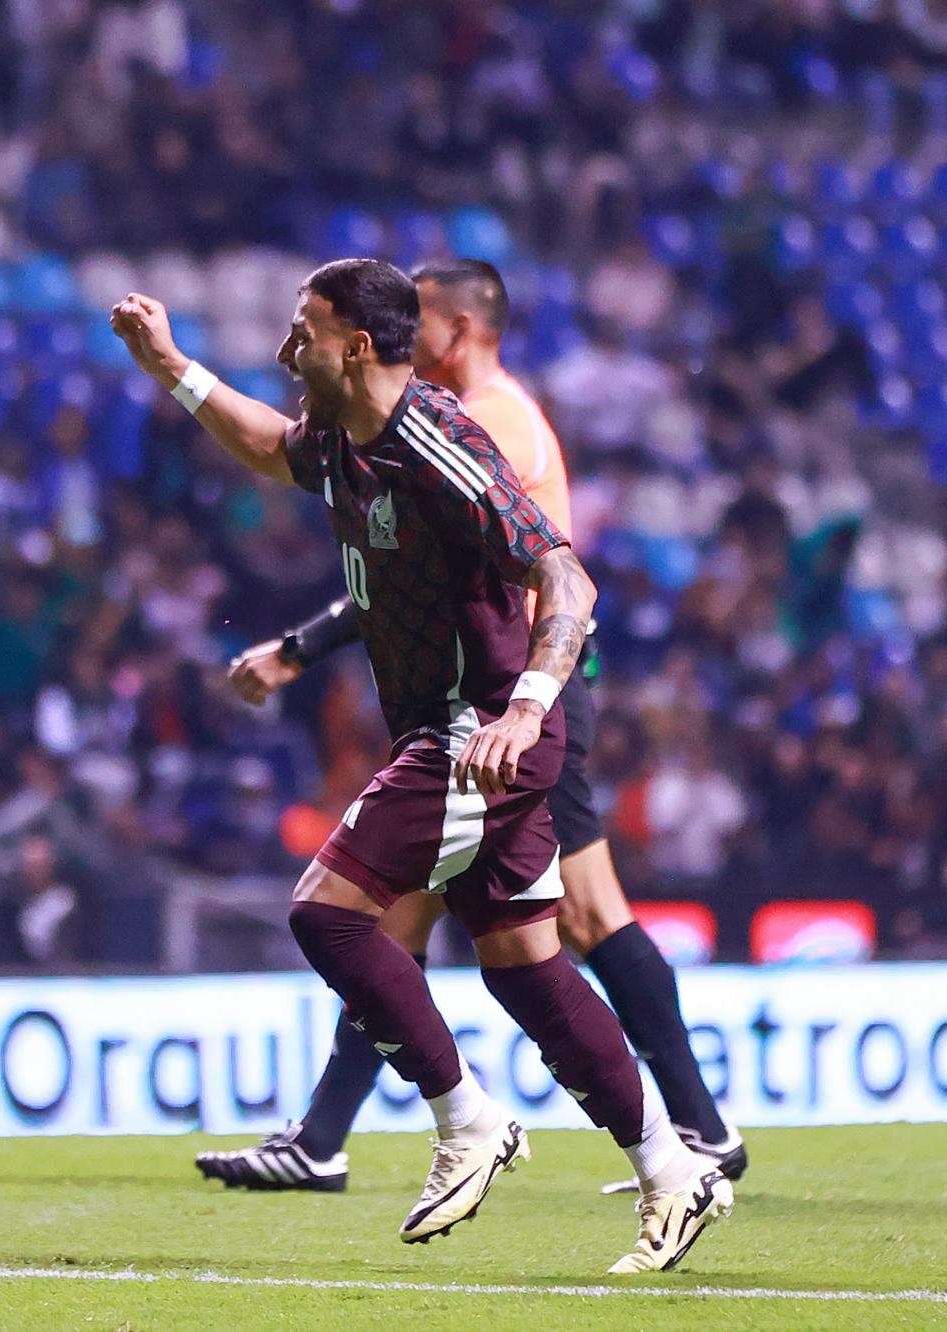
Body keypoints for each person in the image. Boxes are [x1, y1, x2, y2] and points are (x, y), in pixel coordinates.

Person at [110, 260, 733, 1274]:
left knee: (325, 913)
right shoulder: (346, 442)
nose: (282, 348)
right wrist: (173, 367)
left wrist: (524, 709)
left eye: (301, 330)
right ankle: (674, 1173)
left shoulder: (439, 445)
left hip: (476, 734)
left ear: (357, 347)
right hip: (461, 738)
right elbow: (270, 446)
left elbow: (563, 574)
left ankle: (464, 1122)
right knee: (528, 975)